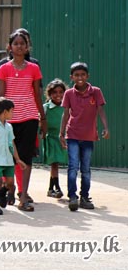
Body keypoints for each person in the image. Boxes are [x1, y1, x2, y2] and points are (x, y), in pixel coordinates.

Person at [0, 30, 46, 212]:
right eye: (15, 43)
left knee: (25, 158)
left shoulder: (34, 68)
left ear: (27, 47)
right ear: (10, 47)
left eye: (22, 44)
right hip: (9, 119)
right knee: (7, 156)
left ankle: (23, 196)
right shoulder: (4, 68)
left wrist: (43, 117)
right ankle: (9, 187)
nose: (19, 46)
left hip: (29, 117)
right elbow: (1, 96)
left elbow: (37, 94)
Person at [59, 62, 109, 211]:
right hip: (72, 134)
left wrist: (106, 127)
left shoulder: (95, 92)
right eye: (76, 75)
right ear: (71, 77)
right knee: (73, 166)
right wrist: (61, 133)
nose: (80, 77)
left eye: (83, 75)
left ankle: (85, 197)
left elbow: (101, 110)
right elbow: (65, 114)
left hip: (88, 136)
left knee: (86, 169)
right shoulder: (69, 93)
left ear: (88, 76)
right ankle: (72, 197)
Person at [42, 79, 67, 199]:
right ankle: (57, 188)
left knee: (56, 163)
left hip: (62, 138)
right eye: (54, 92)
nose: (58, 95)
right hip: (51, 139)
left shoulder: (66, 107)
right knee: (54, 163)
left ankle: (50, 188)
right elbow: (41, 123)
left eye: (61, 92)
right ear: (49, 94)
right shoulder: (46, 108)